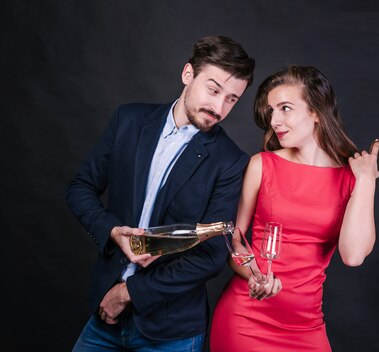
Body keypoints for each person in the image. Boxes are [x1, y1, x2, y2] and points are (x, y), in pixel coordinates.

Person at [66, 35, 255, 351]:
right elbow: (79, 188)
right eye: (213, 90)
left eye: (232, 99)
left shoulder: (231, 161)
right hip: (103, 317)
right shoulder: (129, 120)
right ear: (187, 74)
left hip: (172, 331)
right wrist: (111, 231)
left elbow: (211, 257)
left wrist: (128, 293)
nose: (219, 107)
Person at [209, 65, 379, 351]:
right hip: (247, 321)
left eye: (285, 108)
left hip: (307, 326)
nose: (274, 120)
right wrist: (257, 277)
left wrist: (365, 181)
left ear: (316, 111)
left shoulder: (351, 178)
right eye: (271, 110)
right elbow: (234, 241)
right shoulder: (262, 165)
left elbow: (353, 255)